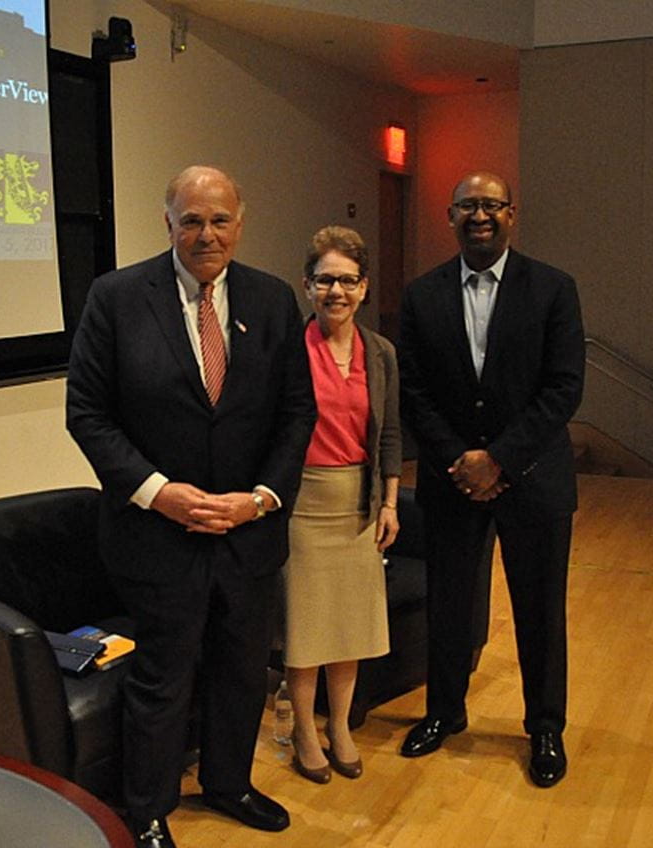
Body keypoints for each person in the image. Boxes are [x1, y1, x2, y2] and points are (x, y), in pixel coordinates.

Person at [66, 165, 317, 848]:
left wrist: (260, 499)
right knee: (162, 676)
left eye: (220, 220)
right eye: (192, 220)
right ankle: (146, 809)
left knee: (241, 669)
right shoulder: (115, 298)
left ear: (241, 220)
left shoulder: (270, 300)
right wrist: (159, 494)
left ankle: (230, 782)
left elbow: (297, 414)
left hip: (248, 534)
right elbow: (87, 415)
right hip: (156, 535)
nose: (207, 234)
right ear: (167, 223)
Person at [396, 171, 584, 788]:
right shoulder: (422, 295)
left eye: (491, 205)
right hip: (451, 481)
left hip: (533, 479)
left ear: (511, 214)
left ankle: (545, 728)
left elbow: (563, 389)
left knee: (540, 610)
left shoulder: (554, 289)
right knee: (450, 603)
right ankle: (444, 713)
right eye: (467, 206)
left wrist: (499, 458)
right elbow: (415, 392)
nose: (480, 215)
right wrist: (461, 460)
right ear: (449, 216)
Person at [282, 226, 401, 784]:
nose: (337, 291)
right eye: (325, 279)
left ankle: (342, 727)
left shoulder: (381, 353)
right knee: (308, 629)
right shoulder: (288, 350)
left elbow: (391, 434)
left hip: (359, 501)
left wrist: (390, 503)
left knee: (349, 628)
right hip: (304, 504)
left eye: (348, 281)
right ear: (307, 285)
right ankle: (305, 728)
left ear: (365, 287)